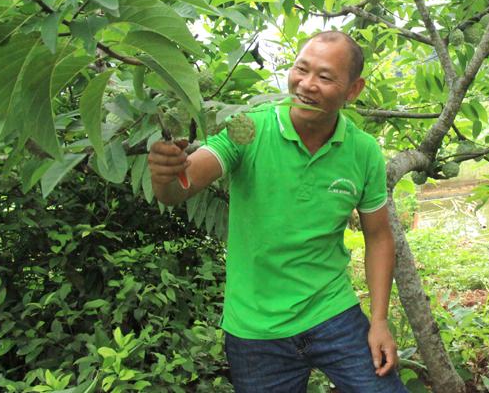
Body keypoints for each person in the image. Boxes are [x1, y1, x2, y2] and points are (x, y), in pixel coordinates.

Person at [148, 31, 407, 393]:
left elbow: (379, 236)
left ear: (353, 90)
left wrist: (379, 320)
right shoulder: (251, 129)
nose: (307, 84)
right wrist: (165, 175)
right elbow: (179, 188)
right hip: (255, 331)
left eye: (326, 76)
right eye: (301, 69)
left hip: (331, 313)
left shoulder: (362, 152)